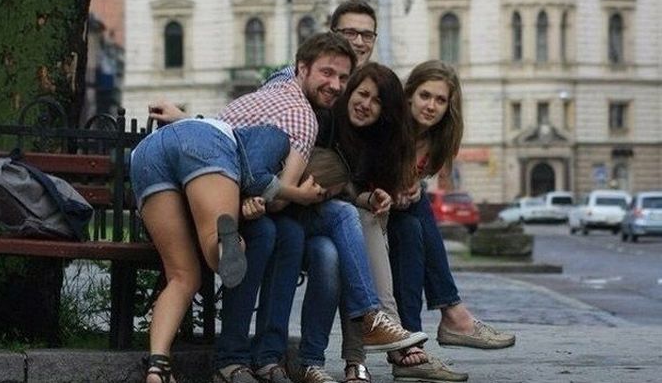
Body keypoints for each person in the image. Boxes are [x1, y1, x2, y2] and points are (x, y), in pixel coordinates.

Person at [150, 32, 422, 383]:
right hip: (268, 203)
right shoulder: (310, 114)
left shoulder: (368, 139)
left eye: (343, 77)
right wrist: (186, 118)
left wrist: (364, 197)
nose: (340, 87)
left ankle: (296, 359)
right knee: (284, 230)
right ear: (303, 69)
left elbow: (232, 135)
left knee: (321, 245)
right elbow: (232, 133)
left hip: (292, 211)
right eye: (359, 91)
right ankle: (365, 318)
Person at [288, 63, 468, 383]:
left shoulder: (376, 142)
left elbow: (352, 191)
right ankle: (381, 329)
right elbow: (319, 180)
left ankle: (343, 362)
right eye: (362, 94)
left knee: (339, 250)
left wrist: (372, 197)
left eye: (377, 101)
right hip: (299, 213)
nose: (366, 104)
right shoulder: (326, 121)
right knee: (353, 226)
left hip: (337, 225)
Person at [131, 118, 327, 383]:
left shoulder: (234, 130)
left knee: (182, 277)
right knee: (218, 242)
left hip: (146, 155)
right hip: (204, 144)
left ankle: (158, 366)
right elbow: (257, 178)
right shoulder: (277, 136)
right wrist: (298, 194)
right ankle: (225, 241)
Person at [388, 60, 516, 357]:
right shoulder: (390, 127)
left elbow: (412, 183)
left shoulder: (436, 139)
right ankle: (450, 315)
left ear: (449, 106)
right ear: (409, 95)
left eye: (440, 100)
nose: (431, 106)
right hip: (367, 211)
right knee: (416, 215)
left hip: (399, 216)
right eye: (425, 95)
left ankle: (413, 342)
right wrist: (395, 189)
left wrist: (412, 189)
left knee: (412, 223)